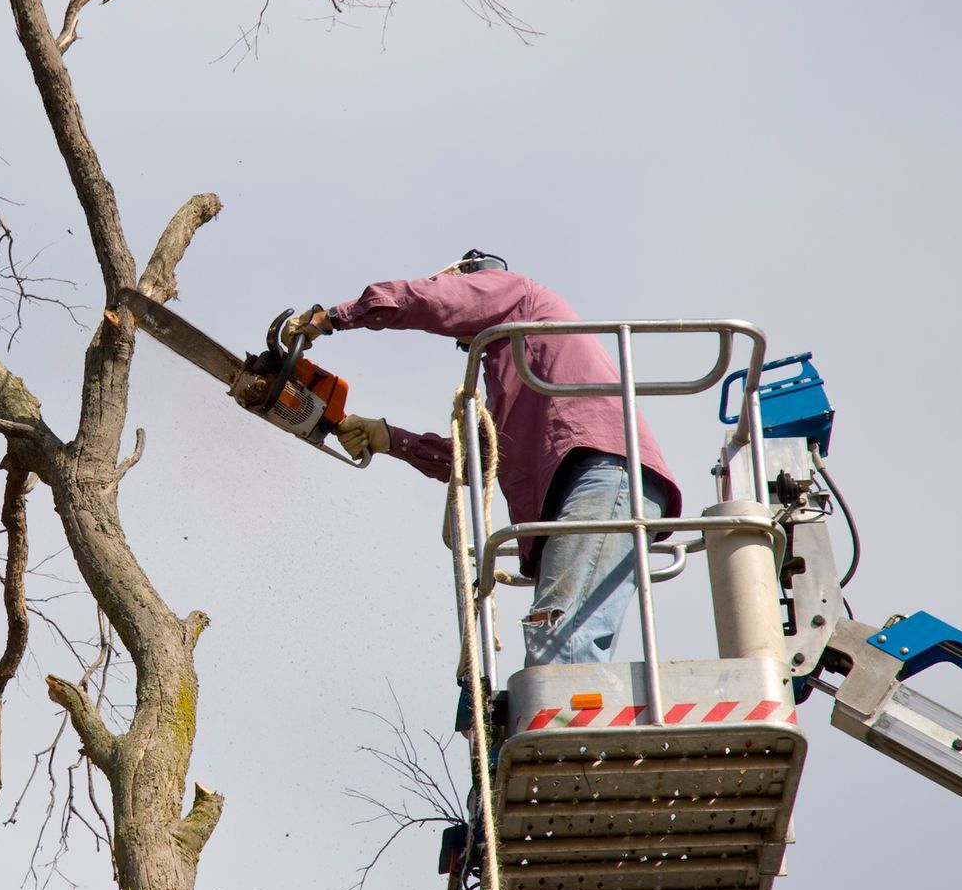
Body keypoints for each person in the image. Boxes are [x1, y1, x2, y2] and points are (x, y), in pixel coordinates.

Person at [284, 251, 682, 668]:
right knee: (555, 645)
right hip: (591, 481)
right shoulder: (515, 377)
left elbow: (430, 300)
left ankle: (561, 728)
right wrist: (390, 439)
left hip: (602, 473)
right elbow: (483, 460)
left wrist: (331, 318)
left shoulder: (514, 294)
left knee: (560, 645)